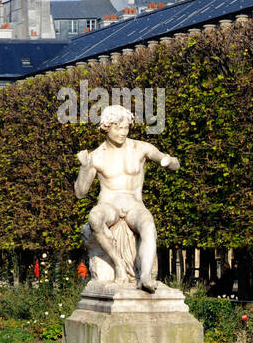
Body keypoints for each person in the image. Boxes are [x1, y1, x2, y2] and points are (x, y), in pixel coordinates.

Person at [74, 105, 181, 292]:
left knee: (148, 224)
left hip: (134, 204)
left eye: (126, 128)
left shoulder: (141, 148)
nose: (123, 133)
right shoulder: (97, 156)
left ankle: (146, 276)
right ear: (106, 127)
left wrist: (169, 162)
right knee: (94, 218)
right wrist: (85, 167)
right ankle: (119, 265)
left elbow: (174, 164)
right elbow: (80, 192)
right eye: (118, 128)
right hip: (109, 204)